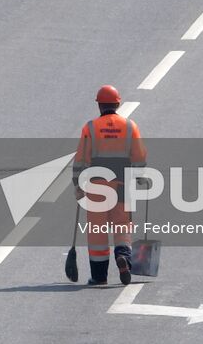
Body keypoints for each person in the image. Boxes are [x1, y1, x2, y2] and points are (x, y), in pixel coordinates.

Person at [72, 84, 147, 286]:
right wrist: (140, 176)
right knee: (122, 225)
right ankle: (123, 257)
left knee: (97, 231)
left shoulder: (90, 128)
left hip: (96, 185)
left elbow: (81, 159)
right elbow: (139, 155)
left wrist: (77, 184)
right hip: (123, 184)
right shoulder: (130, 126)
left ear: (99, 105)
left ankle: (99, 276)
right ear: (118, 104)